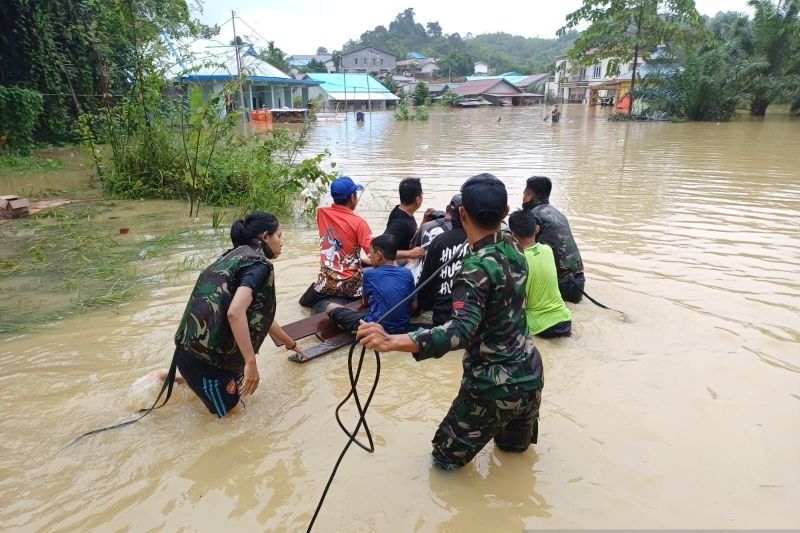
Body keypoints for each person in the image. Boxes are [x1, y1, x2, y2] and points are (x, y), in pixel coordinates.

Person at [357, 173, 544, 470]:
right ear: (506, 213)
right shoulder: (515, 247)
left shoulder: (474, 269)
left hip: (492, 387)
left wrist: (392, 341)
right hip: (530, 376)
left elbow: (460, 331)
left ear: (461, 214)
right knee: (511, 460)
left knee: (443, 465)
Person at [171, 212, 306, 417]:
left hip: (193, 352)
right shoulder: (259, 265)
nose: (281, 242)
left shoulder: (231, 257)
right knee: (235, 421)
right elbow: (236, 313)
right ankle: (173, 379)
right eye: (279, 236)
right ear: (265, 237)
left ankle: (172, 378)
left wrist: (292, 345)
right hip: (207, 363)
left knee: (240, 393)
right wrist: (251, 362)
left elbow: (261, 318)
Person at [299, 176, 373, 313]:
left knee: (302, 303)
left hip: (326, 282)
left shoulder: (321, 213)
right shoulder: (359, 222)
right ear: (353, 197)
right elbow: (375, 253)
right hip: (352, 285)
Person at [326, 234, 416, 334]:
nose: (370, 256)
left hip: (375, 328)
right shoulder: (407, 272)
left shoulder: (369, 273)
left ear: (378, 255)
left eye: (370, 253)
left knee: (330, 306)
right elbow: (414, 305)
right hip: (403, 326)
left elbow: (365, 302)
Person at [508, 209, 572, 338]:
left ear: (513, 234)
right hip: (565, 320)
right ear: (536, 229)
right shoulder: (547, 250)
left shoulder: (517, 260)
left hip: (541, 327)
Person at [522, 176, 585, 303]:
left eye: (524, 194)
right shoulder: (558, 214)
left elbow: (524, 251)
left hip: (561, 285)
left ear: (529, 196)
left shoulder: (533, 216)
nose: (522, 198)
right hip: (579, 282)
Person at [417, 194, 468, 326]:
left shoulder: (439, 241)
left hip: (442, 316)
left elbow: (425, 283)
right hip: (470, 316)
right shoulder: (479, 242)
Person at [384, 177, 428, 260]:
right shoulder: (399, 223)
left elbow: (411, 237)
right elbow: (383, 251)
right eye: (422, 194)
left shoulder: (401, 211)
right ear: (418, 199)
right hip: (396, 264)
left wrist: (424, 222)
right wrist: (409, 254)